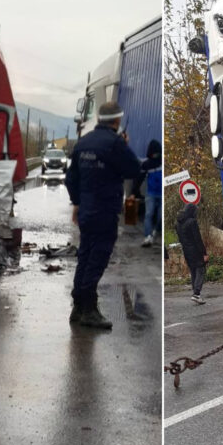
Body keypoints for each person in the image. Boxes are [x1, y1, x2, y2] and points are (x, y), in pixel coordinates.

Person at [64, 101, 141, 328]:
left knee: (85, 257)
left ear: (98, 119)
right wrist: (125, 145)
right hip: (105, 210)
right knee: (97, 259)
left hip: (87, 210)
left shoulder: (83, 143)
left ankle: (78, 308)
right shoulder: (115, 143)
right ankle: (88, 309)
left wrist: (77, 203)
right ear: (117, 122)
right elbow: (133, 169)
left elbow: (71, 179)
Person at [175, 202, 208, 304]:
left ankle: (195, 293)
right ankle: (196, 294)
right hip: (195, 250)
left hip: (186, 250)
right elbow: (197, 239)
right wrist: (204, 253)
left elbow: (180, 239)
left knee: (193, 271)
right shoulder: (192, 222)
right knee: (201, 269)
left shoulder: (178, 223)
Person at [134, 139, 162, 247]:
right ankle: (148, 236)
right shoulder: (146, 164)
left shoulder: (162, 162)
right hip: (151, 193)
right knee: (148, 214)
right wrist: (135, 192)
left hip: (161, 194)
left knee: (160, 217)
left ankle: (156, 231)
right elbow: (139, 178)